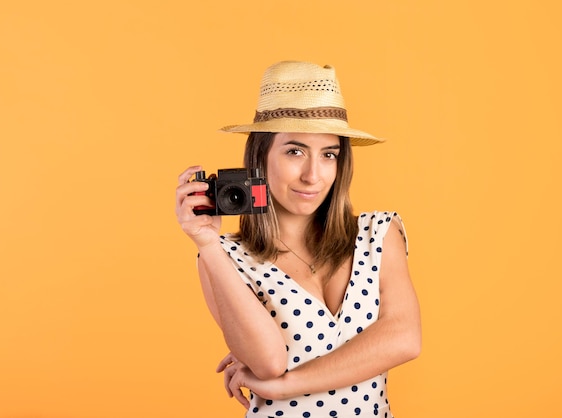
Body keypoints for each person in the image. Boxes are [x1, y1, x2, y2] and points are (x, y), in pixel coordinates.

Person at [175, 61, 421, 417]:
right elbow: (269, 362)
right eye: (295, 151)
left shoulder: (378, 234)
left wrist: (286, 386)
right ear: (261, 156)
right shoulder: (224, 258)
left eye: (329, 155)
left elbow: (404, 339)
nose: (313, 175)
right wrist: (206, 243)